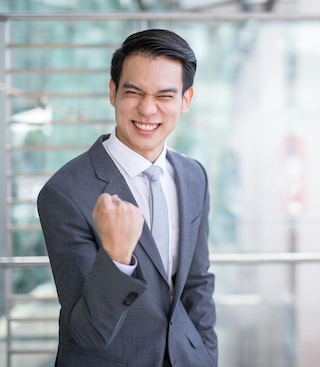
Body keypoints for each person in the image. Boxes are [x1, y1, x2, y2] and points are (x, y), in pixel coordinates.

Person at [37, 29, 217, 367]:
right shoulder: (65, 192)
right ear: (113, 92)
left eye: (165, 95)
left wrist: (206, 354)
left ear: (186, 100)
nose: (148, 109)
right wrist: (118, 255)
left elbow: (197, 283)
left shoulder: (194, 177)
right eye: (134, 92)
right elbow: (86, 331)